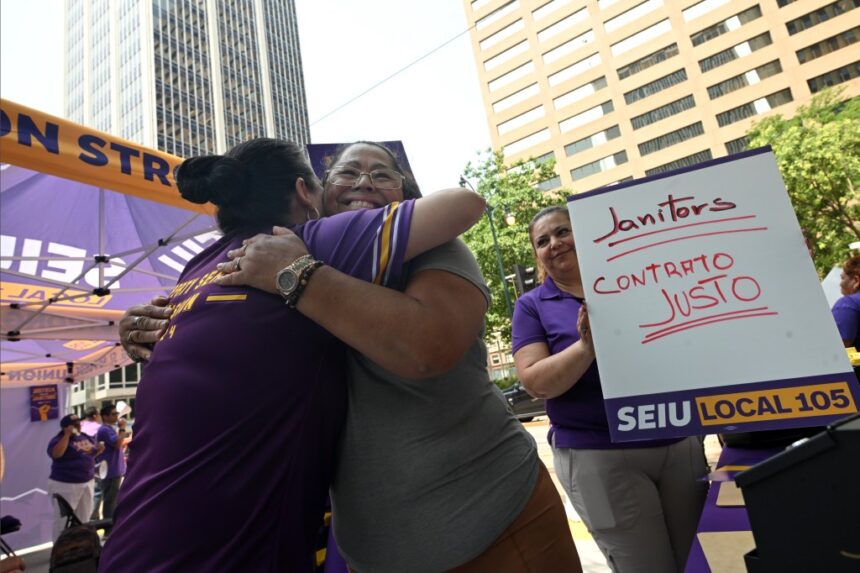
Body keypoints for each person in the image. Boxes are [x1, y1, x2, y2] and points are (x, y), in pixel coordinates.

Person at [122, 141, 581, 572]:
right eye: (347, 172)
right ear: (313, 194)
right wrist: (150, 330)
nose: (364, 181)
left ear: (404, 195)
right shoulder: (282, 254)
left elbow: (427, 349)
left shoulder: (431, 247)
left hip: (488, 519)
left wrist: (299, 275)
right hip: (372, 548)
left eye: (382, 174)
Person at [511, 206, 708, 573]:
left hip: (679, 442)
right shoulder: (531, 307)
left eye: (562, 232)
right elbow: (535, 381)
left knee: (700, 563)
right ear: (537, 254)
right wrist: (587, 347)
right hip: (600, 455)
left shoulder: (642, 279)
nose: (554, 243)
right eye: (543, 241)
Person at [46, 414, 104, 540]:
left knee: (84, 518)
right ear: (66, 427)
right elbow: (56, 454)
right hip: (65, 484)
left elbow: (90, 454)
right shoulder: (58, 440)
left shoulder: (84, 437)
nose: (78, 425)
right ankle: (59, 550)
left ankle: (80, 547)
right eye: (74, 423)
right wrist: (67, 435)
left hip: (87, 481)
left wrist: (98, 449)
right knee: (63, 520)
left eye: (79, 422)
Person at [93, 404, 128, 534]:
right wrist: (123, 429)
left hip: (113, 470)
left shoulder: (108, 429)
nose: (116, 416)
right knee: (110, 501)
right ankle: (109, 531)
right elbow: (118, 444)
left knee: (111, 500)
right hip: (110, 471)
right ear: (105, 416)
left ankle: (110, 528)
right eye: (113, 414)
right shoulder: (105, 430)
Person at [832, 254, 860, 348]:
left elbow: (834, 345)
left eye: (843, 278)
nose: (840, 284)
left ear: (856, 280)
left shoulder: (848, 304)